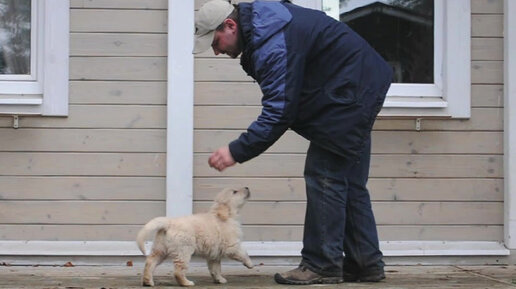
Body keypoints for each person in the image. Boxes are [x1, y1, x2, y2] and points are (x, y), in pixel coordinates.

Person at [193, 0, 393, 285]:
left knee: (323, 175)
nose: (215, 50)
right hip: (355, 87)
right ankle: (366, 264)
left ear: (230, 25)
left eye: (215, 41)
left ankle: (322, 263)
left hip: (349, 94)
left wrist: (236, 150)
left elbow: (279, 111)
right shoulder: (266, 29)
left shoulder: (272, 41)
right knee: (348, 181)